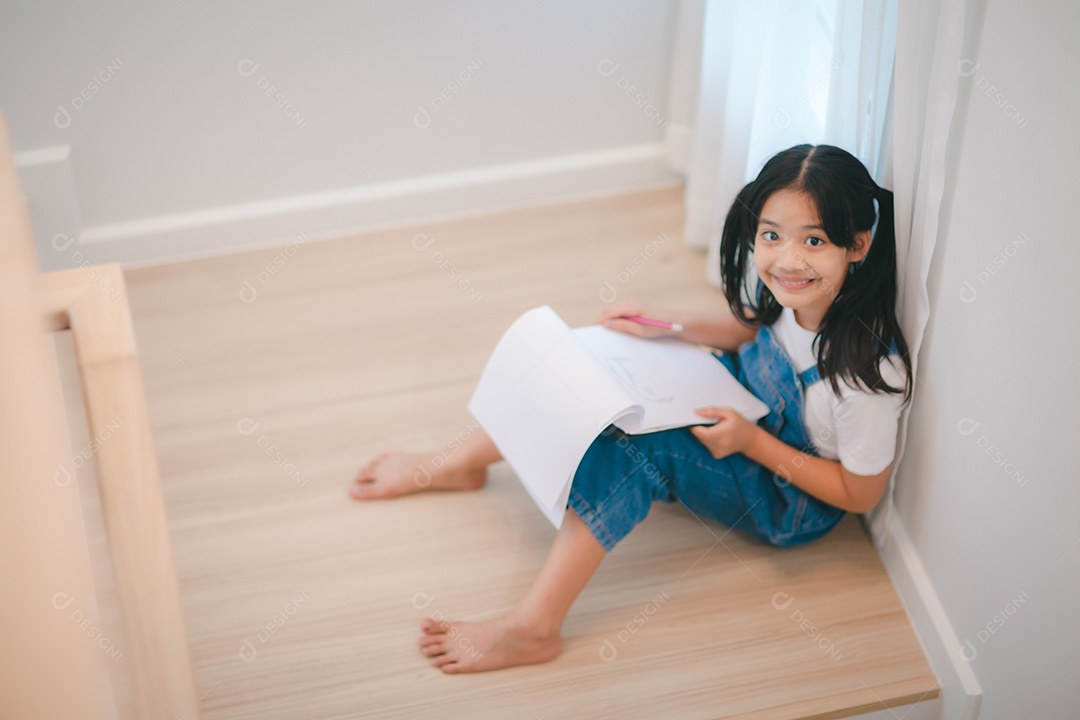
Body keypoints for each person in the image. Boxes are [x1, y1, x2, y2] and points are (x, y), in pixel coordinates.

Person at [349, 144, 913, 674]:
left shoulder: (867, 377)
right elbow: (753, 330)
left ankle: (533, 627)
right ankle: (459, 462)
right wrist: (663, 324)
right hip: (740, 403)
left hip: (784, 496)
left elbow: (860, 494)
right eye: (772, 235)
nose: (788, 260)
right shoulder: (800, 293)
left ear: (858, 245)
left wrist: (752, 444)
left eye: (813, 241)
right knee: (578, 364)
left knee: (632, 448)